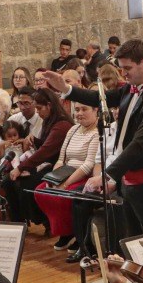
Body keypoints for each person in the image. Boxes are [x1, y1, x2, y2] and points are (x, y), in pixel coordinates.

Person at [42, 40, 143, 236]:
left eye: (128, 68)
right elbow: (100, 98)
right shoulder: (130, 88)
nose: (123, 74)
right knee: (132, 239)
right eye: (121, 68)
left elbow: (139, 145)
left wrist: (107, 175)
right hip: (126, 180)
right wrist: (66, 89)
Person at [32, 101, 100, 255]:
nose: (80, 113)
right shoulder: (73, 129)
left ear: (96, 111)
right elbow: (61, 159)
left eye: (84, 109)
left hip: (82, 175)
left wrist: (65, 184)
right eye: (77, 110)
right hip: (64, 172)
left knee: (63, 196)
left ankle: (76, 234)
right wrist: (53, 179)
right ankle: (65, 232)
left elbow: (88, 165)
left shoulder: (97, 133)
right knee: (41, 192)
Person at [4, 88, 70, 224]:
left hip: (58, 166)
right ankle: (19, 222)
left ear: (49, 106)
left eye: (39, 109)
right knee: (7, 181)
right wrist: (34, 139)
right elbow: (46, 145)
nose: (38, 112)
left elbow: (46, 151)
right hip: (47, 163)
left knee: (27, 184)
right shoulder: (49, 119)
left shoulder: (61, 124)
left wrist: (20, 168)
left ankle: (43, 221)